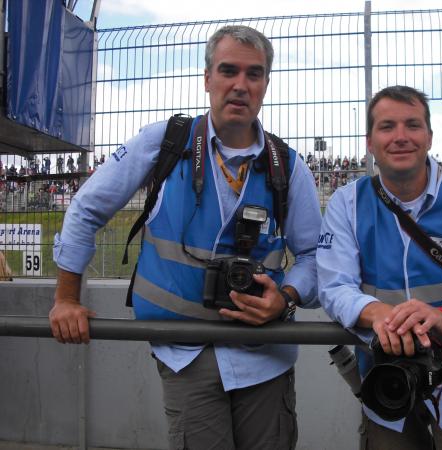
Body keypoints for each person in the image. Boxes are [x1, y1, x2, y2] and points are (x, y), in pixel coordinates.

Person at [49, 25, 322, 450]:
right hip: (185, 355)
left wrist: (284, 297)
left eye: (254, 74)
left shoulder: (288, 165)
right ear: (207, 78)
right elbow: (85, 209)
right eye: (228, 71)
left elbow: (313, 257)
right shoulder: (165, 142)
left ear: (266, 83)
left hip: (265, 358)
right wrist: (66, 298)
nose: (240, 85)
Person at [317, 85, 442, 449]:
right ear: (370, 141)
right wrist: (383, 317)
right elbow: (333, 287)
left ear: (430, 137)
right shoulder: (346, 203)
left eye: (413, 125)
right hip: (384, 382)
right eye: (387, 126)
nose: (400, 137)